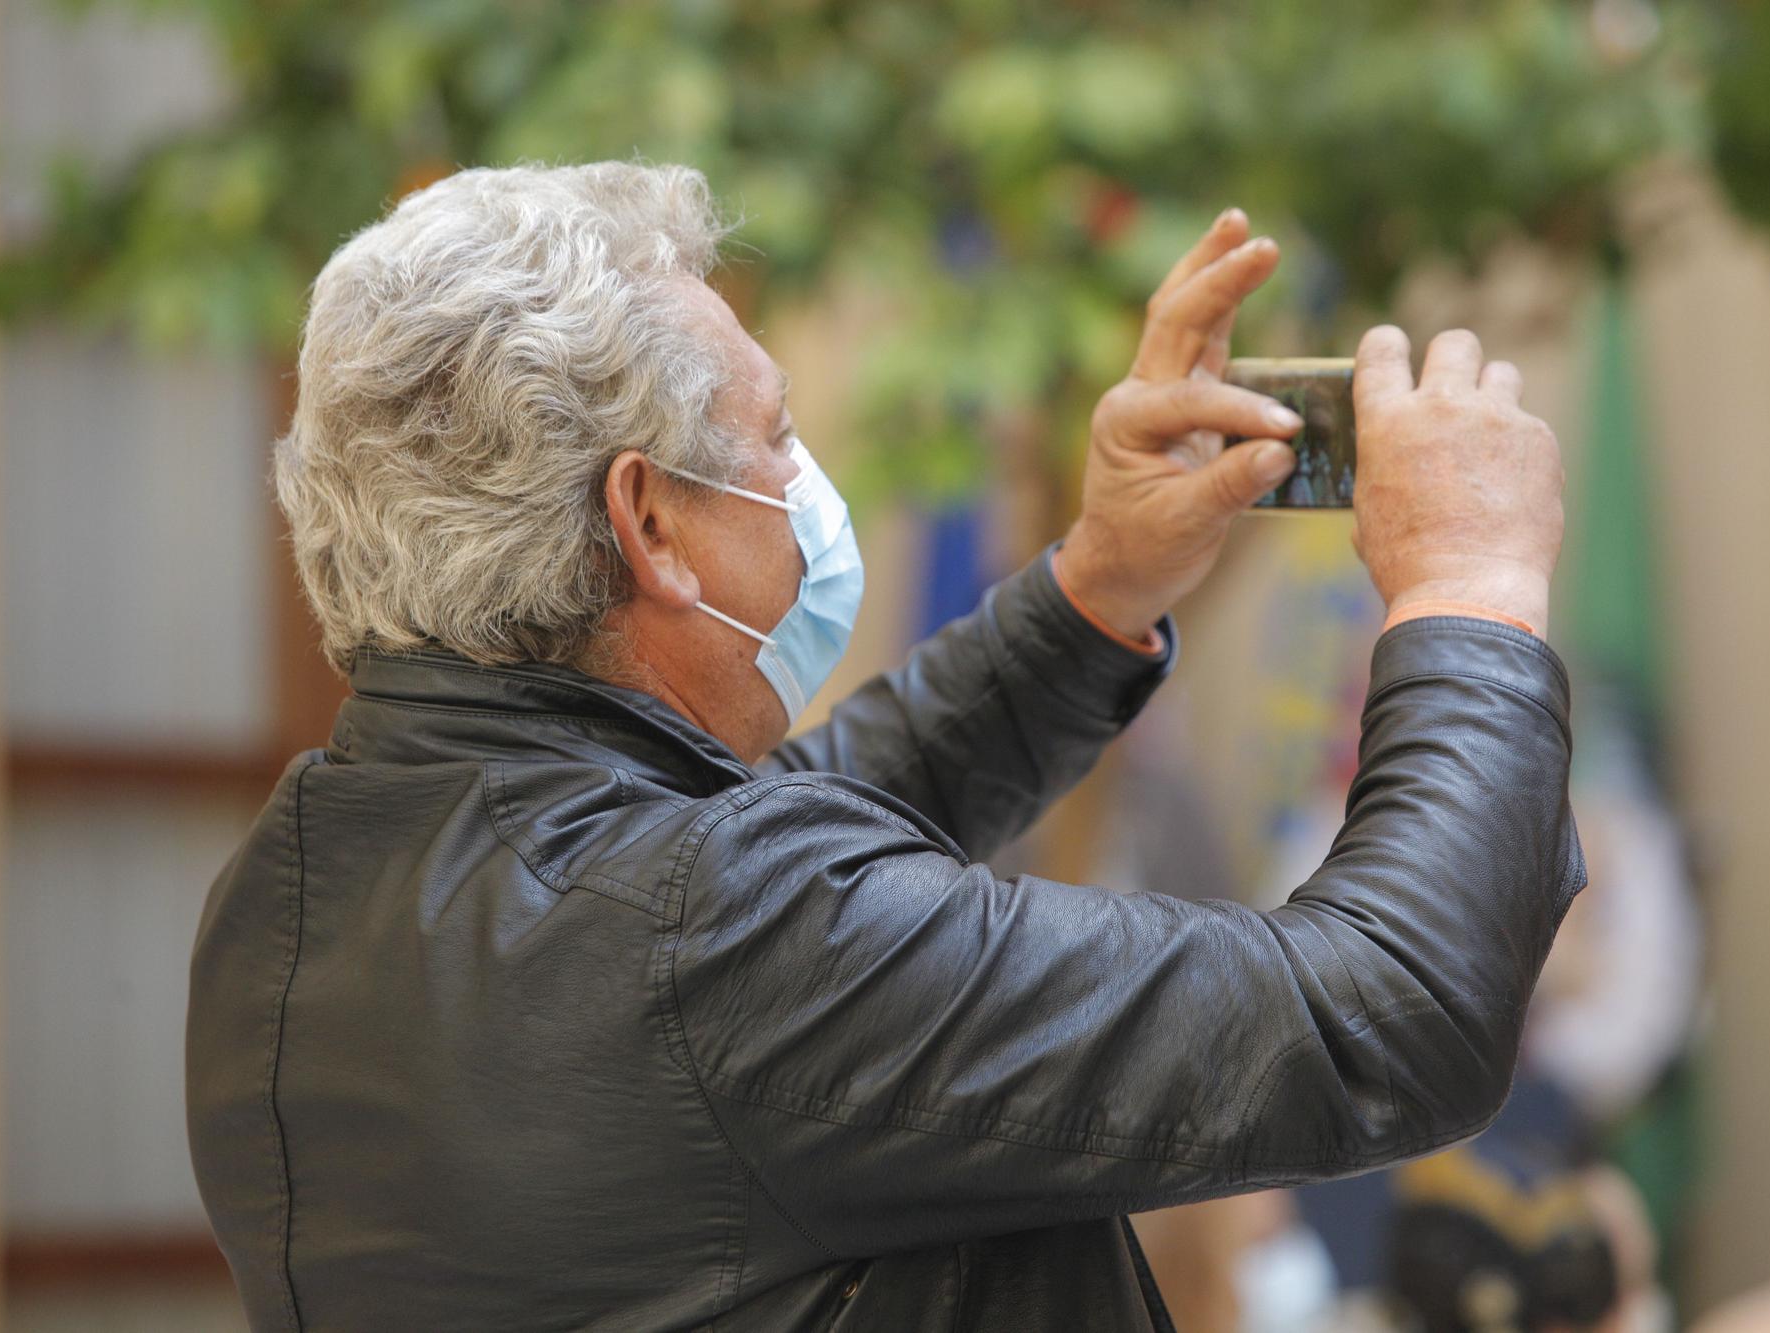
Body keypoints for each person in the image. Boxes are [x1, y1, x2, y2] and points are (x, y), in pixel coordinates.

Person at [186, 161, 1580, 1331]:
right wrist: (1472, 592)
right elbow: (1388, 1016)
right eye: (775, 438)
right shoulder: (718, 935)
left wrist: (1099, 584)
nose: (805, 482)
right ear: (650, 524)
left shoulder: (288, 898)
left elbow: (779, 865)